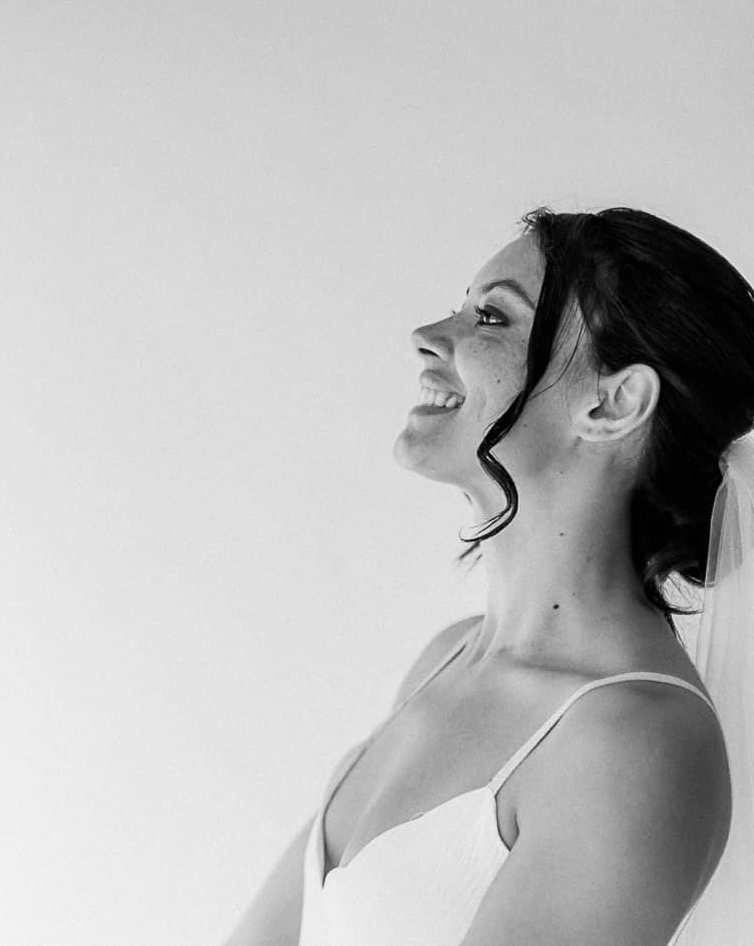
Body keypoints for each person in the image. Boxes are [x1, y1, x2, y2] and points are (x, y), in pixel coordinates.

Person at [228, 207, 752, 945]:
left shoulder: (632, 744)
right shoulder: (443, 661)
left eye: (493, 317)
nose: (430, 336)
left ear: (611, 403)